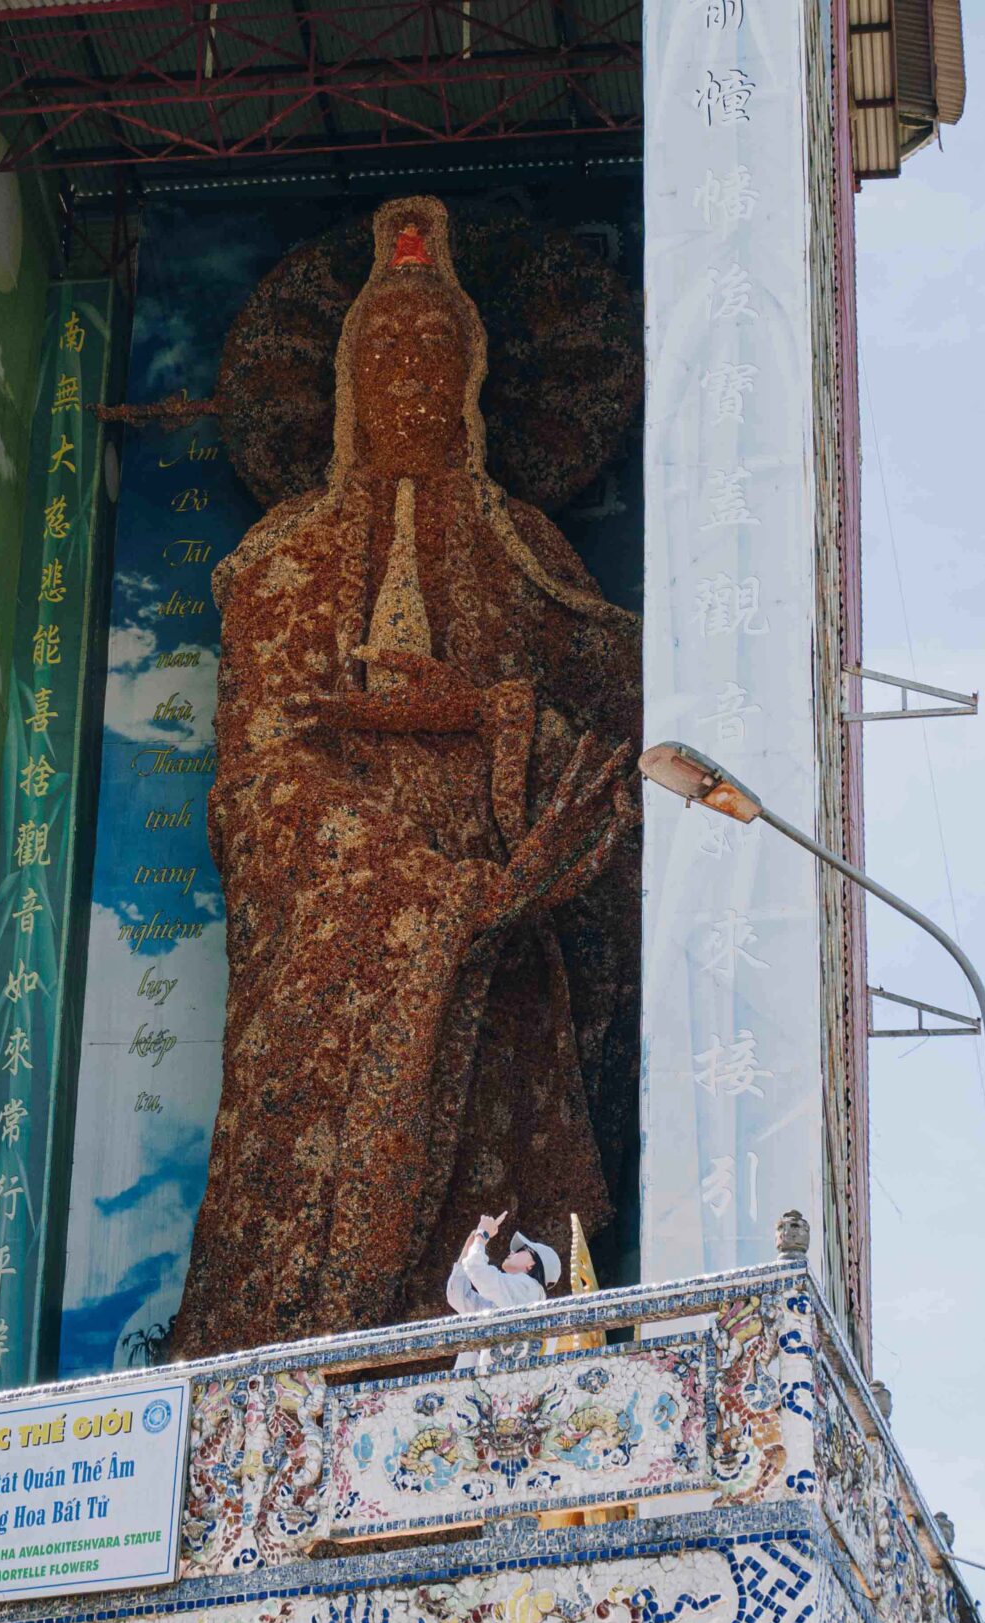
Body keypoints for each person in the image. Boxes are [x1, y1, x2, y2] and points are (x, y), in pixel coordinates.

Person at [171, 195, 639, 1360]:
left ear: (473, 375)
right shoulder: (280, 561)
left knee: (496, 1178)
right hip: (338, 951)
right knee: (293, 1164)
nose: (411, 377)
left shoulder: (523, 547)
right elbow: (257, 782)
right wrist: (425, 897)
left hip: (504, 939)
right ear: (344, 380)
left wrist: (487, 717)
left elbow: (613, 742)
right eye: (384, 351)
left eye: (435, 350)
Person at [445, 1211, 562, 1375]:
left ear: (531, 1265)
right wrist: (468, 1249)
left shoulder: (530, 1289)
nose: (512, 1252)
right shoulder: (512, 1297)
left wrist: (483, 1235)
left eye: (521, 1250)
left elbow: (477, 1269)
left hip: (499, 1383)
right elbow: (458, 1296)